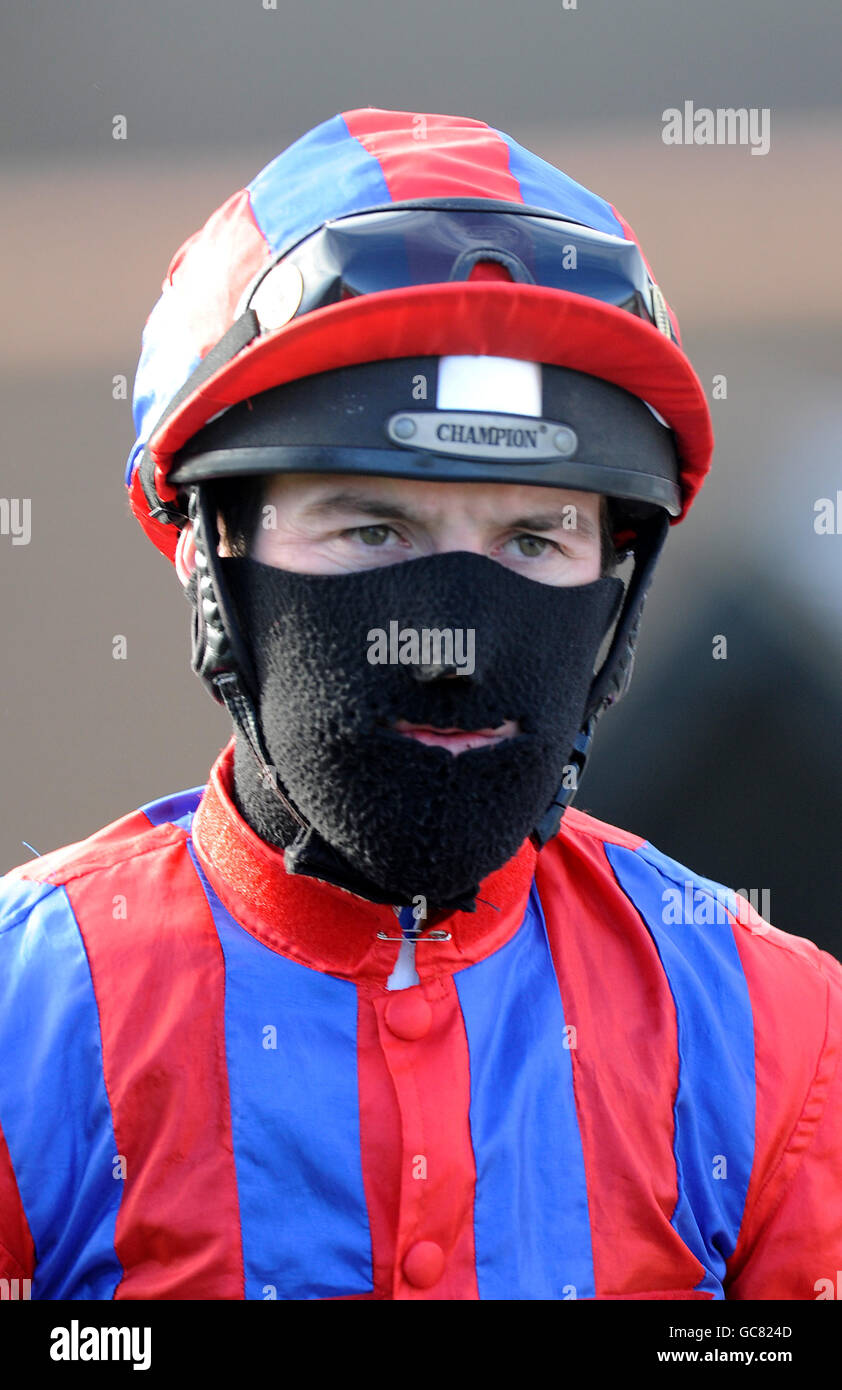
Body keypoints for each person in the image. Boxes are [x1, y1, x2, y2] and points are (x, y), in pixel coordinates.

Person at [0, 108, 839, 1303]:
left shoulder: (778, 1034)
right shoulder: (23, 1032)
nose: (454, 639)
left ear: (617, 577)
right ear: (209, 549)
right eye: (373, 527)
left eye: (534, 537)